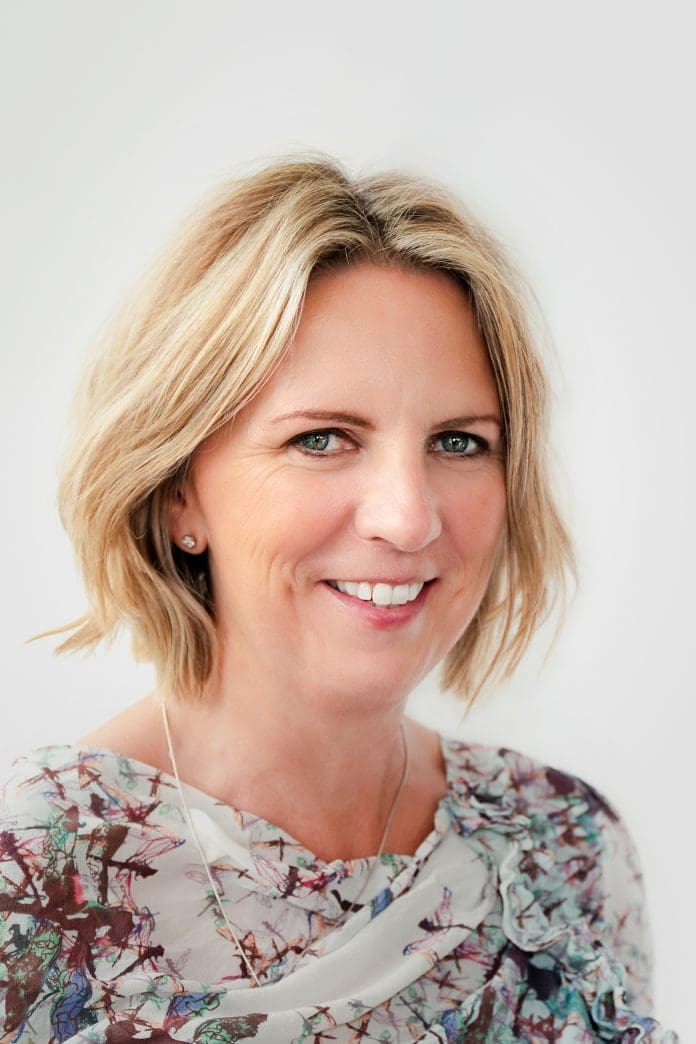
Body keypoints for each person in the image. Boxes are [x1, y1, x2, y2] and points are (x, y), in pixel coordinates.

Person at [0, 155, 678, 1043]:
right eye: (322, 438)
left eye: (460, 442)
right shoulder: (36, 877)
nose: (407, 516)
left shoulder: (567, 844)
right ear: (179, 494)